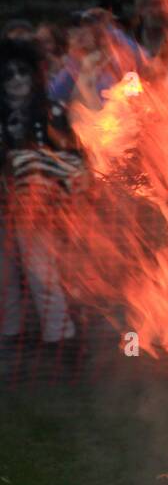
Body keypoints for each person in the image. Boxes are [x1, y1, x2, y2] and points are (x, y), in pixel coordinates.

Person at [0, 40, 82, 348]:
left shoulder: (52, 112)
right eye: (8, 75)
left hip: (39, 209)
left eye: (22, 72)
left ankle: (61, 340)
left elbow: (73, 159)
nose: (17, 79)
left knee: (41, 274)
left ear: (33, 75)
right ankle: (10, 337)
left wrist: (39, 176)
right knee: (3, 278)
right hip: (4, 207)